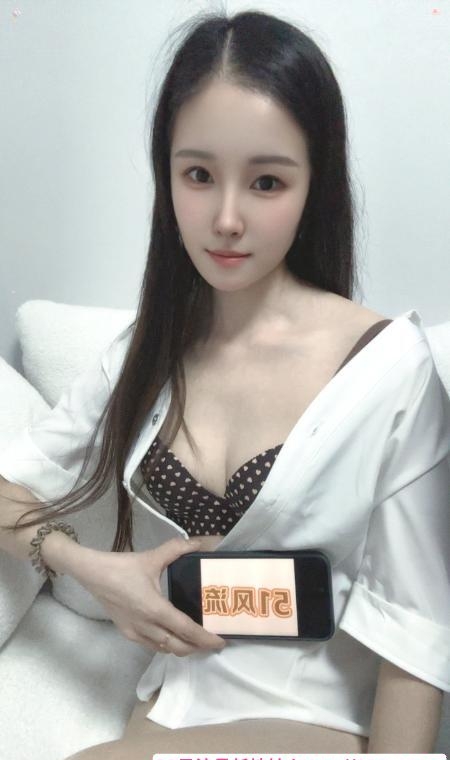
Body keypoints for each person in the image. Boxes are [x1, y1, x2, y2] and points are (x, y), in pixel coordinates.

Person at [0, 9, 449, 757]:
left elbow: (417, 633)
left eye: (267, 181)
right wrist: (89, 568)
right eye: (199, 175)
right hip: (163, 713)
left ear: (314, 185)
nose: (227, 218)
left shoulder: (388, 370)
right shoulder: (145, 354)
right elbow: (8, 484)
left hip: (311, 725)